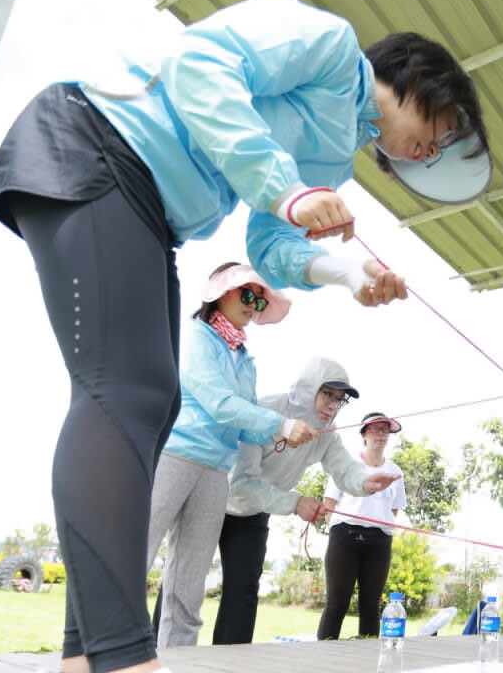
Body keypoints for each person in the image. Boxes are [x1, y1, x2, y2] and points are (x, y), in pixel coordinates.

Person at [0, 0, 487, 673]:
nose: (439, 147)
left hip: (144, 204)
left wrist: (348, 271)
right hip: (95, 143)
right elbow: (198, 65)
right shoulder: (329, 44)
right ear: (421, 79)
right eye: (449, 124)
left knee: (142, 404)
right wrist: (290, 196)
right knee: (124, 394)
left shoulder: (332, 152)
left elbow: (270, 242)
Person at [146, 263, 299, 649]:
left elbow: (243, 423)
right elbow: (219, 403)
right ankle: (102, 654)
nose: (255, 305)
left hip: (216, 470)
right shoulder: (197, 338)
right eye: (248, 295)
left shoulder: (244, 359)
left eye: (260, 299)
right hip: (174, 456)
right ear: (220, 293)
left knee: (190, 577)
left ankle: (176, 662)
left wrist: (278, 435)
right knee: (136, 554)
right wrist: (279, 424)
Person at [215, 358, 400, 645]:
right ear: (307, 387)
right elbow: (241, 484)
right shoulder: (267, 411)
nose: (333, 405)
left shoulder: (326, 432)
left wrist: (366, 481)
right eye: (327, 394)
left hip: (253, 514)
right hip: (212, 501)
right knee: (184, 587)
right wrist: (296, 502)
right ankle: (168, 658)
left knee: (243, 592)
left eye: (339, 400)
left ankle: (230, 667)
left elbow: (345, 467)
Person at [316, 412, 408, 640]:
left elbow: (393, 509)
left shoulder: (395, 471)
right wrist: (339, 533)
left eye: (385, 429)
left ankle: (368, 658)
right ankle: (323, 654)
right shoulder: (348, 465)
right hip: (344, 537)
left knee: (371, 604)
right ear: (365, 433)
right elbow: (329, 504)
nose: (380, 434)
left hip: (379, 541)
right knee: (337, 602)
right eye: (375, 429)